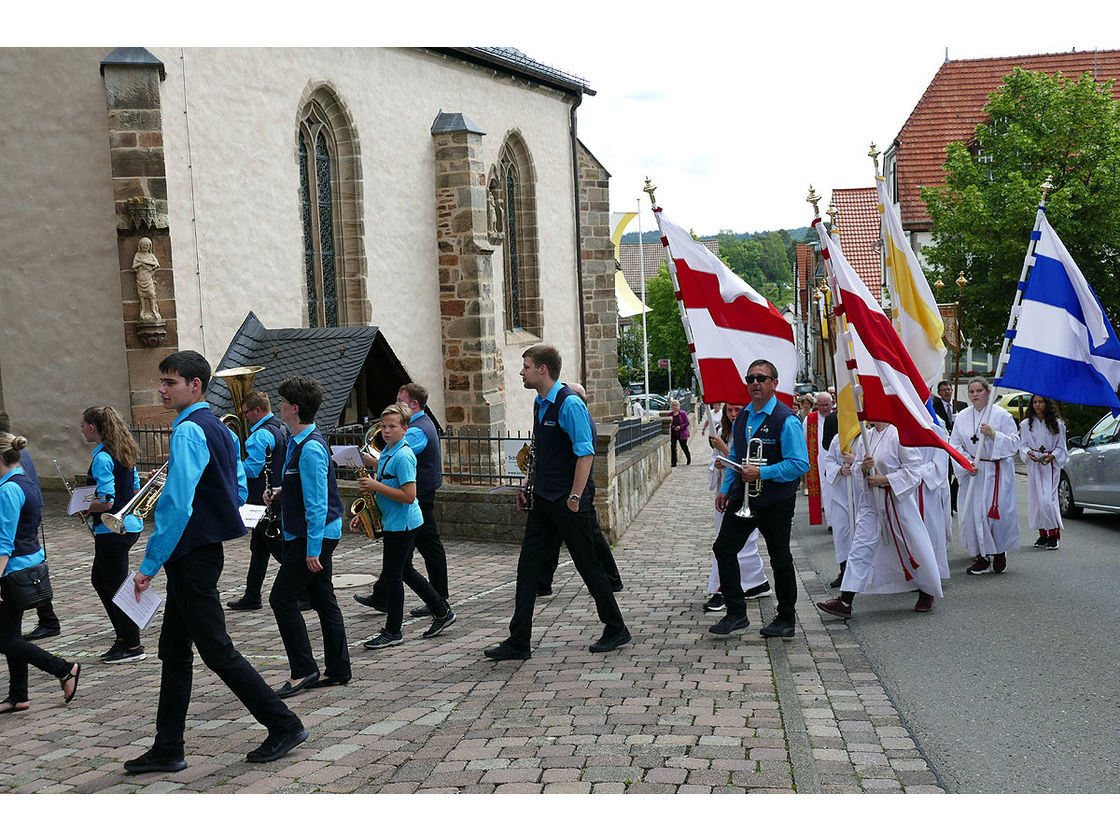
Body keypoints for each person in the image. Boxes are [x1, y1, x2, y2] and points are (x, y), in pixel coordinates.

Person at [124, 350, 307, 774]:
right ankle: (168, 746)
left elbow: (176, 503)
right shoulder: (221, 429)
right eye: (162, 381)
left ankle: (284, 723)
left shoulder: (189, 430)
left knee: (217, 651)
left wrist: (149, 564)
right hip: (203, 551)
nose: (162, 389)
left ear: (195, 385)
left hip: (190, 554)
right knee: (174, 650)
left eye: (170, 382)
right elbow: (238, 485)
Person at [485, 345, 630, 660]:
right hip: (543, 499)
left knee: (589, 566)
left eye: (525, 367)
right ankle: (519, 641)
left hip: (568, 501)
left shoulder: (570, 404)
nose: (521, 372)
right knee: (528, 570)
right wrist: (527, 485)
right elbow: (540, 452)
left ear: (542, 370)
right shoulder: (540, 403)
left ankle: (616, 627)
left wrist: (576, 497)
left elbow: (585, 452)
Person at [261, 376, 351, 697]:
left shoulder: (310, 448)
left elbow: (317, 504)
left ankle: (304, 670)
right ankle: (339, 669)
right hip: (312, 533)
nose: (280, 406)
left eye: (283, 402)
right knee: (323, 598)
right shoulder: (302, 441)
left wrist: (312, 550)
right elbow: (306, 489)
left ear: (294, 408)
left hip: (314, 536)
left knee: (281, 599)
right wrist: (282, 491)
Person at [710, 360, 809, 638]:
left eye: (762, 378)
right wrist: (726, 489)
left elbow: (800, 464)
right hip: (744, 499)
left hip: (776, 501)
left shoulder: (785, 418)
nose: (755, 383)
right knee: (724, 549)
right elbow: (736, 458)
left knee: (780, 558)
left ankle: (786, 619)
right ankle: (736, 613)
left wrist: (762, 473)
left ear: (774, 383)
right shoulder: (743, 417)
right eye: (751, 378)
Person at [816, 421, 944, 618]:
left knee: (910, 546)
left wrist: (885, 480)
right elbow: (858, 469)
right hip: (871, 502)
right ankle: (845, 601)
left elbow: (913, 470)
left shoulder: (899, 435)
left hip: (896, 502)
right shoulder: (867, 437)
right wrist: (863, 468)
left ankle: (927, 590)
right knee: (860, 547)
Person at [355, 402, 455, 650]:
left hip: (404, 524)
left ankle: (393, 631)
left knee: (392, 576)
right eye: (384, 426)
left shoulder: (403, 455)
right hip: (394, 522)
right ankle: (442, 612)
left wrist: (374, 486)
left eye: (393, 427)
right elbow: (386, 487)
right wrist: (366, 512)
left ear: (405, 429)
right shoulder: (388, 451)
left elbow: (409, 495)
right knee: (406, 571)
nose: (387, 431)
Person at [0, 431, 81, 714]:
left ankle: (64, 668)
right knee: (11, 636)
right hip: (28, 563)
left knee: (5, 639)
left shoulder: (8, 489)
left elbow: (4, 542)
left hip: (13, 571)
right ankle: (18, 696)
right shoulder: (26, 481)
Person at [535, 382, 624, 597]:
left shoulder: (576, 414)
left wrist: (575, 494)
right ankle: (542, 582)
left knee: (589, 538)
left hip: (577, 487)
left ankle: (611, 580)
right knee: (551, 538)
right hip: (560, 489)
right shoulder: (552, 407)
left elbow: (585, 455)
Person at [79, 406, 146, 663]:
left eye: (83, 425)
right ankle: (122, 637)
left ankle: (132, 646)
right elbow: (135, 488)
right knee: (100, 580)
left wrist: (85, 506)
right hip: (128, 525)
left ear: (93, 428)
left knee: (117, 586)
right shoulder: (122, 449)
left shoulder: (102, 458)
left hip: (113, 529)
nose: (82, 430)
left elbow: (106, 502)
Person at [948, 377, 1021, 574]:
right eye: (971, 391)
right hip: (973, 472)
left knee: (994, 515)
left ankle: (998, 552)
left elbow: (1014, 443)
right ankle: (981, 556)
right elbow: (954, 444)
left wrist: (993, 434)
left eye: (979, 391)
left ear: (988, 392)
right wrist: (966, 462)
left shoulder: (1002, 415)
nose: (975, 395)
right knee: (973, 515)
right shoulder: (962, 416)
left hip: (996, 471)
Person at [703, 403, 770, 611]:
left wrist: (724, 451)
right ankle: (758, 582)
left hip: (745, 493)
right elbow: (715, 462)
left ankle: (721, 589)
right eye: (729, 410)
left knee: (732, 543)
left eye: (737, 410)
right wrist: (717, 464)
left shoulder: (750, 431)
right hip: (725, 491)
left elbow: (746, 461)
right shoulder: (723, 432)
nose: (733, 414)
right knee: (738, 544)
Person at [0, 411, 60, 642]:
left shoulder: (9, 453)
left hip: (18, 516)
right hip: (25, 512)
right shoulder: (15, 448)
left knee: (8, 636)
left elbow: (7, 539)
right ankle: (48, 618)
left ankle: (49, 624)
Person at [227, 391, 289, 611]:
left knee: (279, 550)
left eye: (246, 413)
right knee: (259, 549)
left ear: (258, 411)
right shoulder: (282, 426)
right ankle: (252, 595)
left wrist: (229, 464)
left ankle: (304, 592)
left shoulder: (259, 435)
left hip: (262, 499)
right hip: (276, 494)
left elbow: (252, 470)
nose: (244, 417)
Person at [1019, 395, 1067, 550]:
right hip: (1034, 465)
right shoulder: (1026, 424)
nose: (1038, 405)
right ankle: (1042, 534)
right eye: (1035, 402)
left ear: (1047, 404)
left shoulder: (1058, 424)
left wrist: (1053, 455)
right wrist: (1028, 453)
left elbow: (1061, 447)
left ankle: (1053, 533)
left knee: (1048, 499)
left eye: (1041, 402)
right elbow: (1023, 445)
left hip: (1050, 465)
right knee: (1037, 500)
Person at [820, 412, 855, 588]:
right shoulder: (837, 439)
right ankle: (844, 569)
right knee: (842, 532)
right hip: (841, 494)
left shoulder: (866, 436)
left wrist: (855, 463)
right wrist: (840, 470)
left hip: (862, 494)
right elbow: (829, 461)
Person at [932, 381, 966, 514]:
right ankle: (946, 505)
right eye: (944, 390)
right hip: (944, 446)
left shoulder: (962, 405)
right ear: (939, 393)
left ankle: (953, 498)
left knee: (960, 473)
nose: (947, 392)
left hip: (958, 445)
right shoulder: (935, 406)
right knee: (945, 474)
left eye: (949, 389)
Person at [803, 391, 834, 526]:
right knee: (826, 490)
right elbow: (804, 439)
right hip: (818, 460)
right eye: (821, 405)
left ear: (832, 403)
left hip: (836, 459)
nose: (825, 408)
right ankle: (831, 522)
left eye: (827, 405)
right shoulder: (809, 419)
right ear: (817, 405)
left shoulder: (836, 417)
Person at [669, 399, 691, 467]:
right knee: (673, 447)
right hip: (673, 433)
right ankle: (674, 462)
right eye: (673, 405)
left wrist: (680, 427)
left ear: (679, 406)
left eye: (676, 405)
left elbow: (687, 422)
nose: (675, 407)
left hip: (682, 433)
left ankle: (688, 458)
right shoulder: (670, 414)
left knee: (684, 446)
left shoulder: (683, 413)